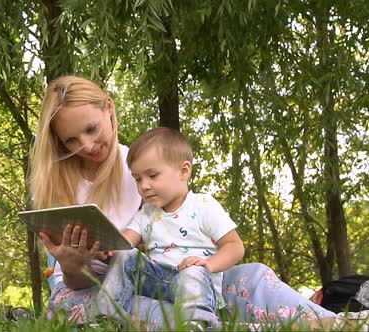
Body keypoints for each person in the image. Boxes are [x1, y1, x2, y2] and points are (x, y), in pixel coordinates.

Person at [28, 75, 336, 329]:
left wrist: (200, 267)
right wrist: (71, 267)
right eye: (71, 140)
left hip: (151, 280)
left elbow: (177, 235)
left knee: (249, 276)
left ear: (109, 108)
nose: (86, 145)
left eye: (92, 129)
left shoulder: (140, 167)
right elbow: (73, 280)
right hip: (85, 293)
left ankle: (333, 322)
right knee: (145, 309)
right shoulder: (57, 184)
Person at [94, 127, 245, 329]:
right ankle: (107, 319)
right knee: (124, 255)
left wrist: (207, 265)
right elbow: (124, 241)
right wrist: (108, 246)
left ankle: (196, 323)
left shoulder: (203, 205)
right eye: (138, 179)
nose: (144, 186)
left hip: (197, 284)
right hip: (159, 281)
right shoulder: (146, 213)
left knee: (192, 271)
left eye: (153, 175)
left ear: (184, 171)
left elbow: (235, 246)